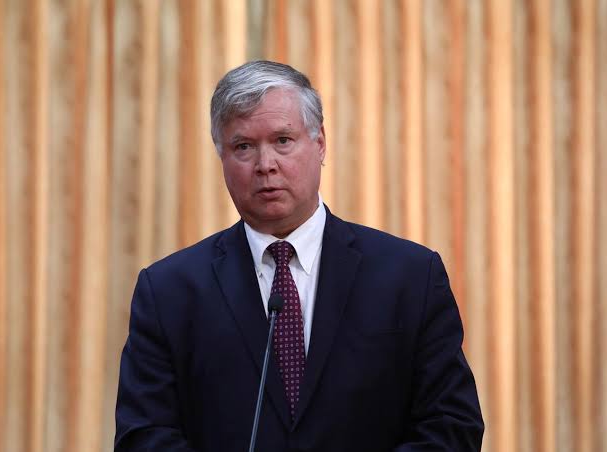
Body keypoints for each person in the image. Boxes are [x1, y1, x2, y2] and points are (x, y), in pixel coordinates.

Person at [114, 60, 484, 451]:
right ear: (221, 157)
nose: (265, 165)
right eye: (243, 147)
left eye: (283, 140)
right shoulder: (169, 291)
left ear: (319, 142)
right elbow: (144, 436)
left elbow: (451, 426)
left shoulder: (410, 277)